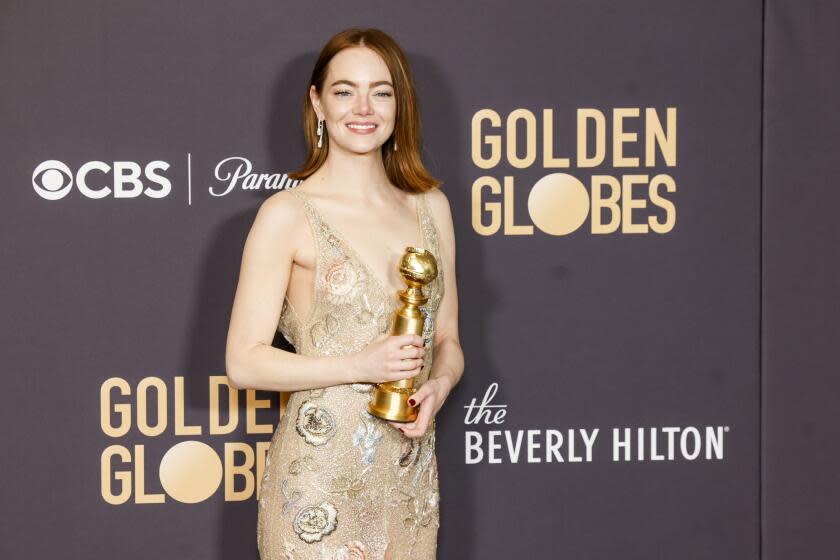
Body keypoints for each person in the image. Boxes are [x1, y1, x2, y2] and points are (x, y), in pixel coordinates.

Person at [225, 28, 463, 560]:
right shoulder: (286, 214)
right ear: (317, 102)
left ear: (400, 104)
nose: (364, 108)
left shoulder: (430, 208)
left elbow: (447, 338)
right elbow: (243, 364)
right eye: (344, 91)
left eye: (381, 91)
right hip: (318, 482)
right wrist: (362, 363)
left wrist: (439, 388)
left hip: (407, 475)